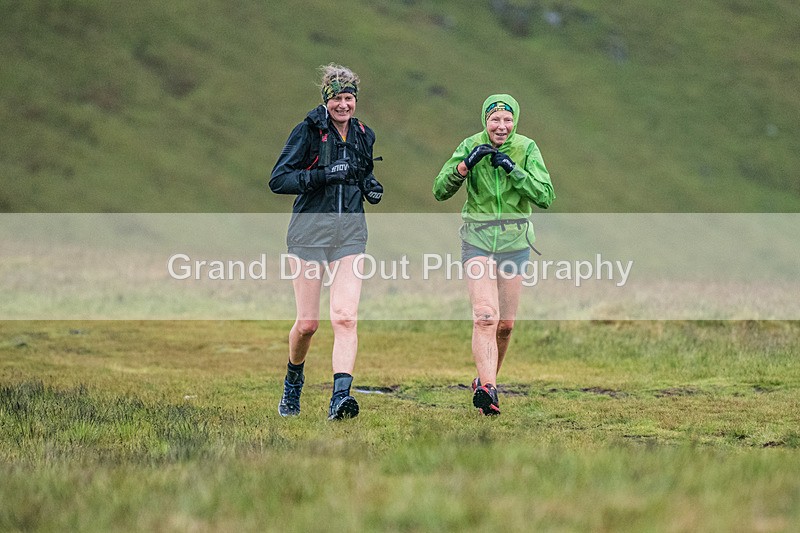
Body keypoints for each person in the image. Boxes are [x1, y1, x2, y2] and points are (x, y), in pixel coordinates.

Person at [269, 63, 383, 420]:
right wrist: (322, 175)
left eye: (349, 98)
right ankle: (293, 380)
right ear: (327, 100)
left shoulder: (365, 134)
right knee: (308, 325)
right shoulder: (307, 131)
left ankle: (340, 399)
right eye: (337, 99)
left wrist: (370, 186)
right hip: (309, 235)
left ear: (355, 100)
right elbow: (279, 180)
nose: (344, 105)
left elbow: (363, 172)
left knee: (346, 318)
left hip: (350, 235)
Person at [433, 94, 554, 416]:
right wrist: (465, 164)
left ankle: (485, 384)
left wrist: (514, 170)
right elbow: (439, 190)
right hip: (478, 239)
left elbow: (545, 196)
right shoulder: (469, 144)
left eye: (507, 119)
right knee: (485, 315)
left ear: (515, 120)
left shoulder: (526, 148)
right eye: (495, 119)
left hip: (515, 242)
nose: (501, 126)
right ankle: (490, 389)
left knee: (505, 325)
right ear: (485, 121)